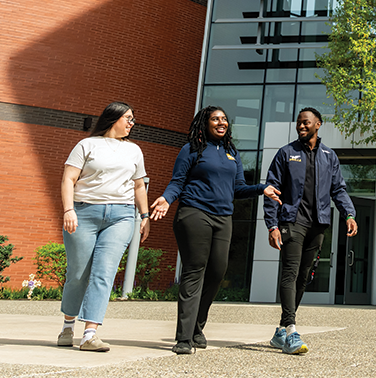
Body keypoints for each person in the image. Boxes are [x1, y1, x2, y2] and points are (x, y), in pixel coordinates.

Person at [149, 106, 282, 355]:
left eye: (224, 119)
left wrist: (261, 188)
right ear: (205, 123)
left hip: (223, 217)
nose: (221, 122)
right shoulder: (192, 149)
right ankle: (184, 338)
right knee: (194, 271)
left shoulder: (232, 152)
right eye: (215, 119)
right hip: (194, 213)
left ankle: (197, 328)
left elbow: (238, 188)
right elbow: (178, 181)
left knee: (217, 272)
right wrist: (167, 199)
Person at [58, 101, 150, 352]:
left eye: (133, 119)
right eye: (128, 118)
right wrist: (69, 210)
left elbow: (139, 185)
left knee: (104, 272)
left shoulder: (134, 151)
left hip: (120, 216)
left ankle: (90, 333)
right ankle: (68, 326)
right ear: (113, 119)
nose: (132, 123)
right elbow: (68, 178)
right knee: (77, 273)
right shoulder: (87, 145)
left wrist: (145, 215)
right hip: (84, 212)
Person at [263, 107, 357, 355]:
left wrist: (349, 214)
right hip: (291, 222)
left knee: (304, 277)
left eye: (306, 123)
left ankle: (281, 331)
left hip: (318, 224)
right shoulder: (286, 153)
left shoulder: (329, 156)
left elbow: (338, 190)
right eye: (298, 123)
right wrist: (272, 225)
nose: (301, 126)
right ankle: (292, 330)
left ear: (318, 124)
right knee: (290, 273)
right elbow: (272, 190)